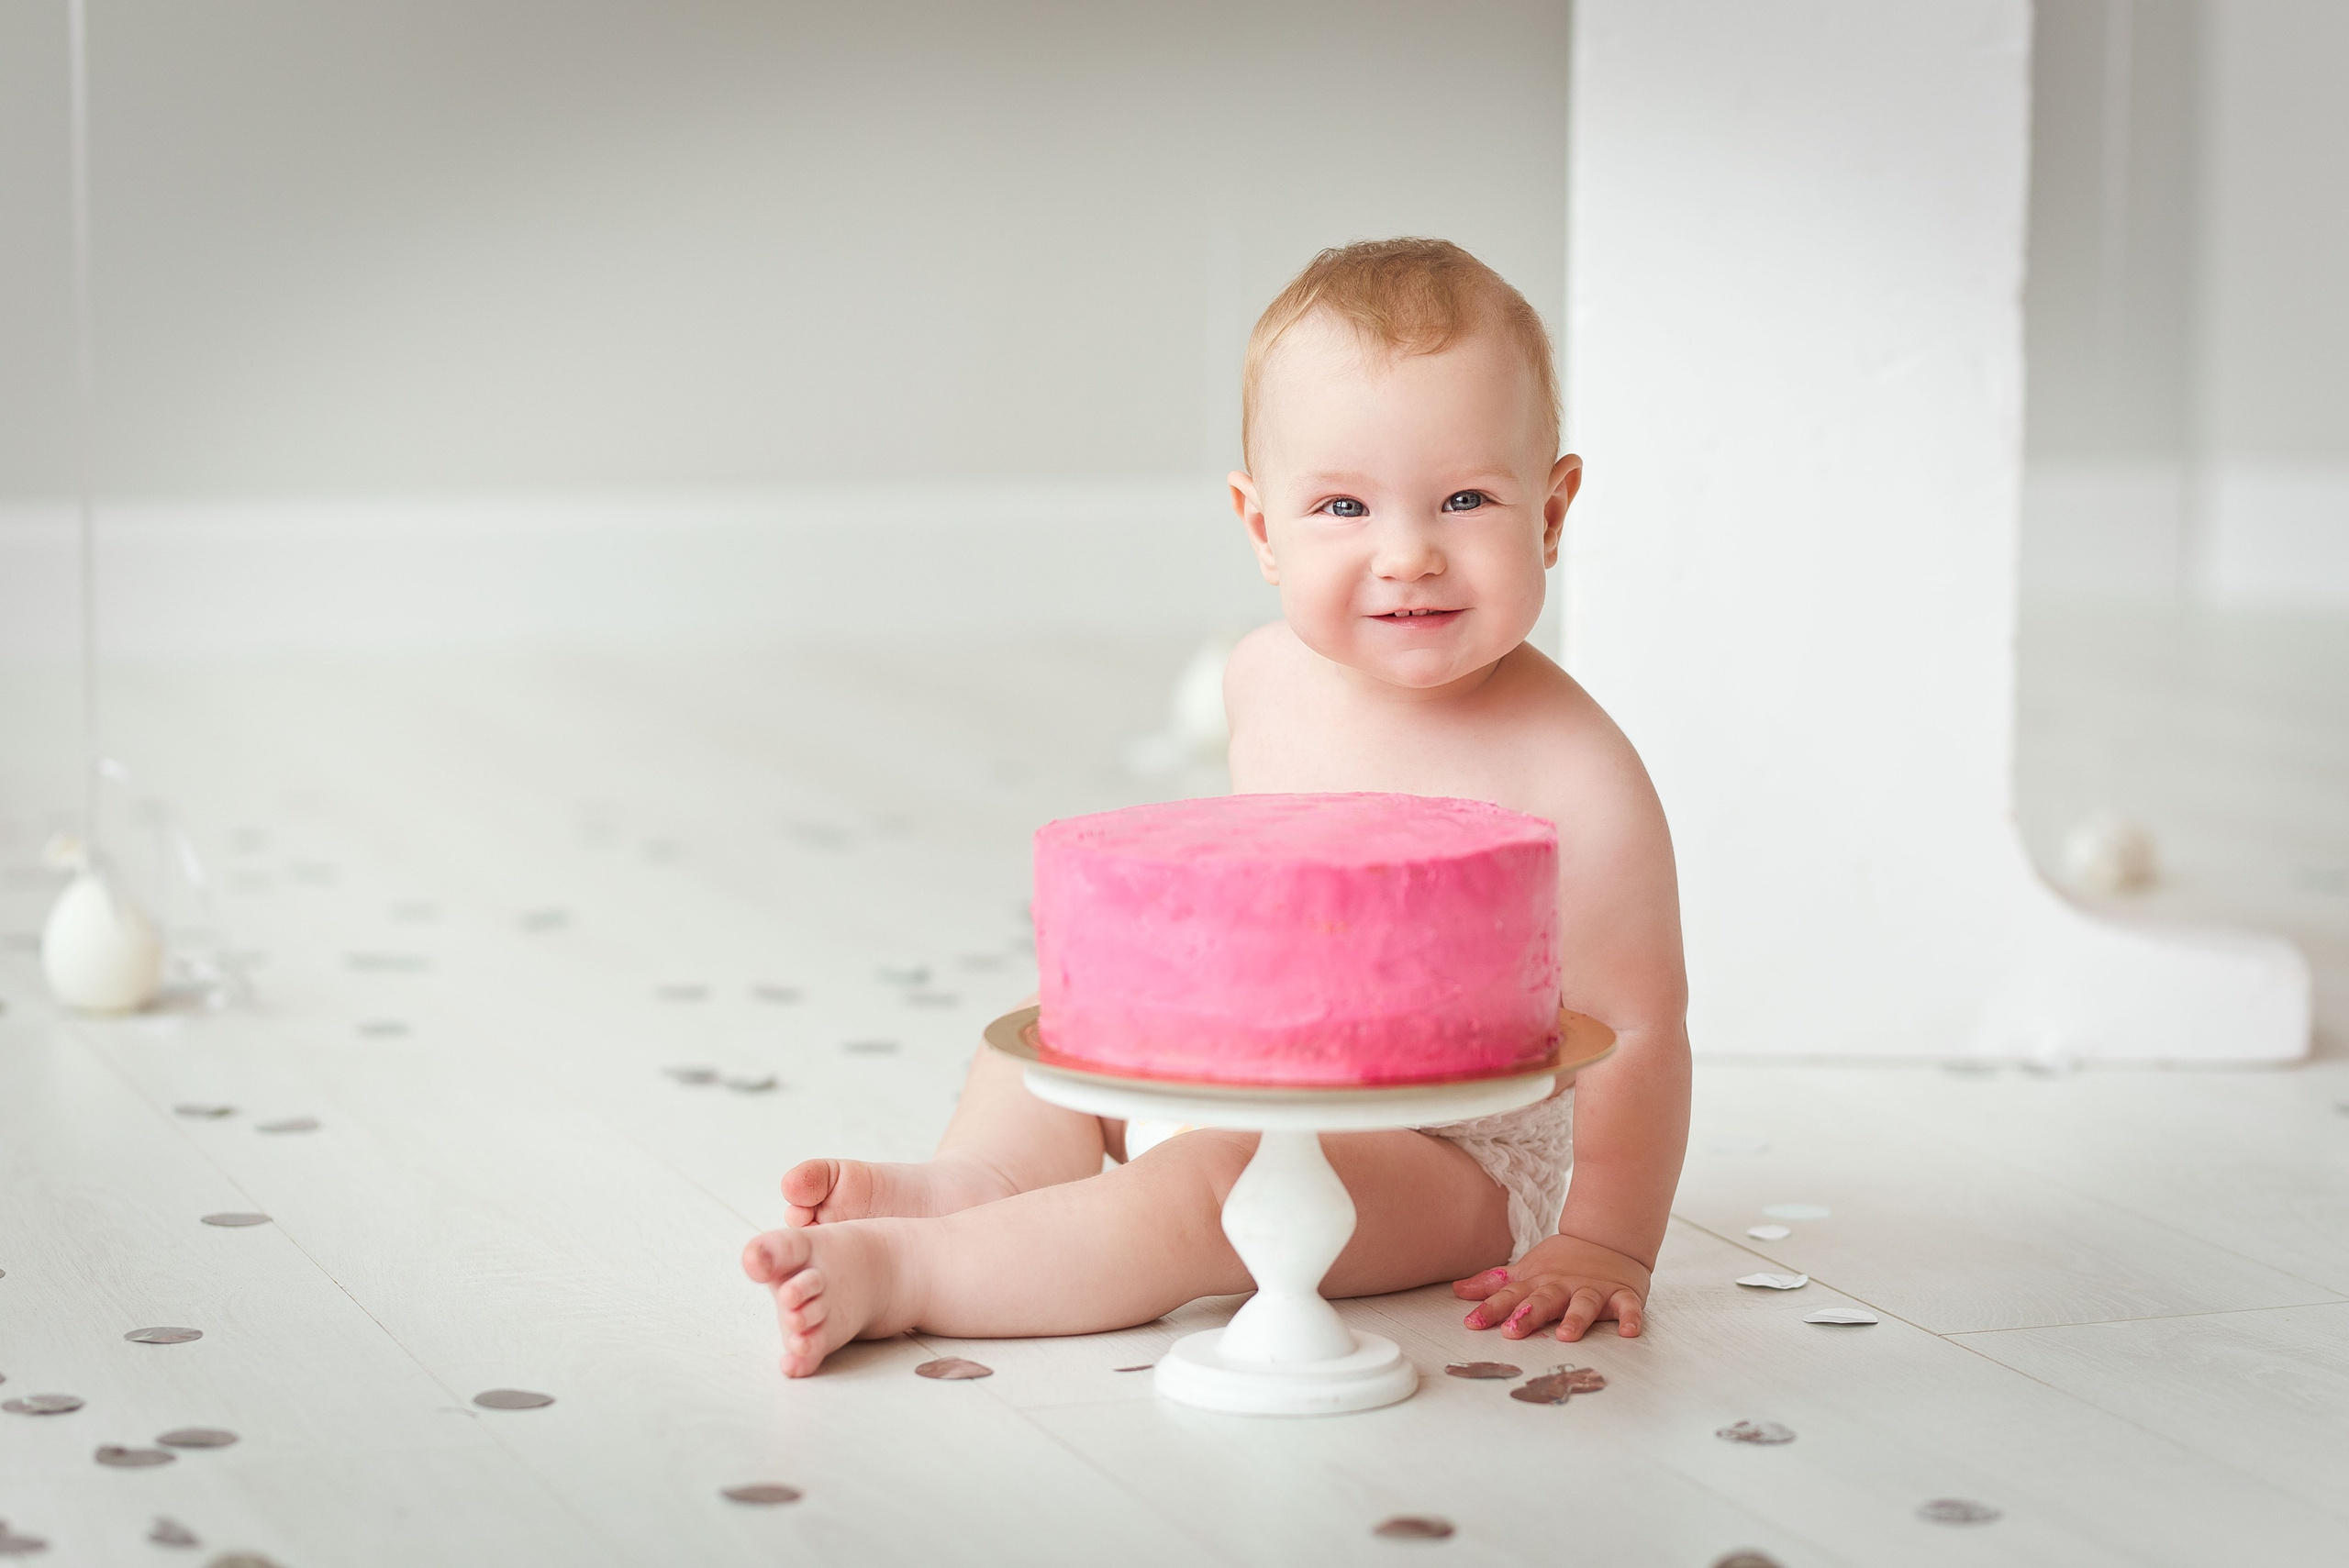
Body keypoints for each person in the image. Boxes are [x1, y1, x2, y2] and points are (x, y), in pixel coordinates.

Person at [743, 238, 1689, 1378]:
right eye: (1342, 504)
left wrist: (1602, 1240)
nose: (1407, 554)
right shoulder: (1264, 675)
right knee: (1050, 1030)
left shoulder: (1575, 769)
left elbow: (1638, 1033)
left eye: (1465, 499)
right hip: (1264, 1061)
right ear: (1259, 527)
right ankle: (977, 1185)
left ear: (1551, 510)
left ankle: (914, 1274)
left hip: (1453, 1157)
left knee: (1213, 1192)